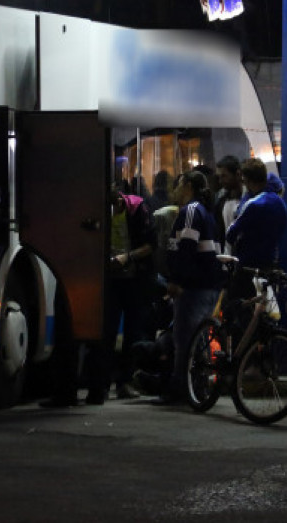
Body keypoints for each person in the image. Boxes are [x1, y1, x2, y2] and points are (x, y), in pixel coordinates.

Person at [89, 187, 155, 404]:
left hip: (135, 279)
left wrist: (127, 257)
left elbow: (150, 245)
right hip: (111, 280)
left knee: (133, 332)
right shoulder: (100, 212)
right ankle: (102, 384)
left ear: (120, 200)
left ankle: (124, 381)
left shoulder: (138, 209)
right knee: (106, 332)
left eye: (115, 206)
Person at [162, 171, 221, 403]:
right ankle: (197, 388)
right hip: (207, 285)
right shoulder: (206, 212)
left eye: (178, 184)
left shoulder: (191, 210)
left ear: (187, 185)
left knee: (185, 340)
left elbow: (187, 245)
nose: (175, 190)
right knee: (198, 339)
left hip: (193, 287)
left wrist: (177, 280)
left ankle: (181, 389)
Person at [226, 158, 287, 271]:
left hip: (248, 265)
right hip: (271, 261)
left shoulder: (253, 204)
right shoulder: (281, 203)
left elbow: (230, 234)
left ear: (247, 179)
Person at [214, 156, 244, 253]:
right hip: (226, 256)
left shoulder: (250, 200)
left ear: (237, 174)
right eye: (219, 177)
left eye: (224, 176)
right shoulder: (220, 200)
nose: (220, 181)